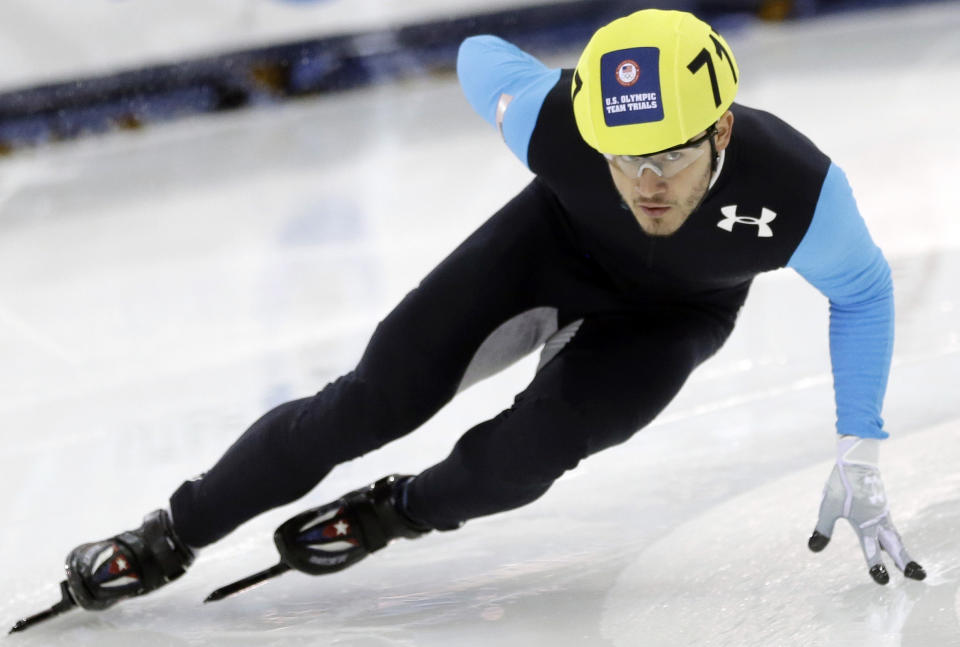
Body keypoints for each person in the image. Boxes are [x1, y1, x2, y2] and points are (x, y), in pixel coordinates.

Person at [61, 7, 926, 616]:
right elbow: (480, 55)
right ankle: (171, 531)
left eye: (668, 156)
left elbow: (863, 291)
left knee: (525, 459)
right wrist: (564, 92)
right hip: (542, 250)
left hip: (669, 315)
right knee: (369, 402)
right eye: (623, 157)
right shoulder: (559, 125)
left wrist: (861, 445)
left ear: (723, 132)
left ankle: (391, 511)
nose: (646, 184)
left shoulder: (799, 190)